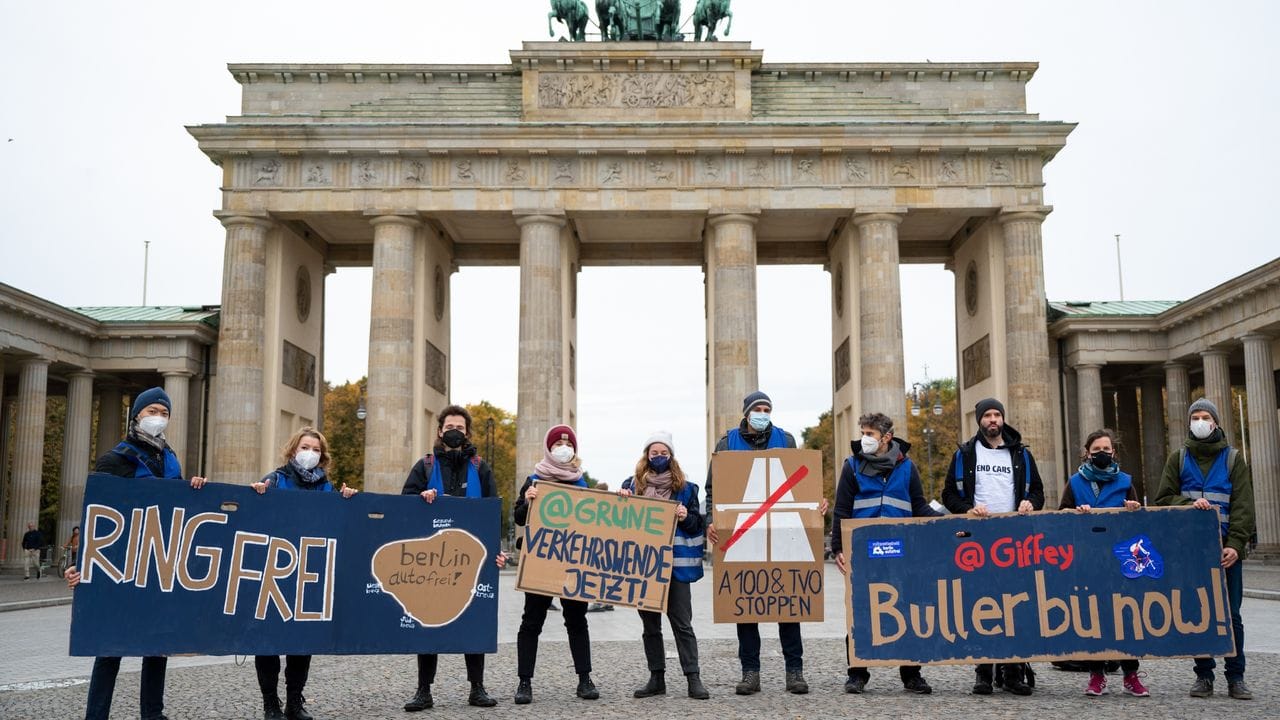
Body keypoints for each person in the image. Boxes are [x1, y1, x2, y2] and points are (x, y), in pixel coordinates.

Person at [64, 386, 207, 720]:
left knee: (157, 646)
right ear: (137, 414)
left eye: (164, 413)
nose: (158, 417)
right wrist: (80, 562)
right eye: (152, 411)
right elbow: (95, 515)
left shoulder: (170, 460)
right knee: (110, 650)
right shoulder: (115, 459)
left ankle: (152, 714)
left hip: (157, 564)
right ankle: (96, 714)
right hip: (120, 564)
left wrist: (195, 491)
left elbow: (179, 513)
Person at [705, 391, 827, 695]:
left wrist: (815, 504)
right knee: (745, 606)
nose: (763, 413)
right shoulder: (726, 443)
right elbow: (713, 489)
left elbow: (802, 485)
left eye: (767, 409)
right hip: (744, 533)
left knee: (789, 604)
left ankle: (794, 671)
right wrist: (711, 519)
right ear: (746, 413)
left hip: (782, 532)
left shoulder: (786, 441)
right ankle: (750, 672)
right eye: (758, 409)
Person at [250, 426, 357, 720]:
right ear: (293, 449)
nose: (310, 453)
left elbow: (339, 524)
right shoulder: (273, 480)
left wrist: (348, 500)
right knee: (268, 643)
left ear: (322, 456)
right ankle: (271, 703)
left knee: (301, 643)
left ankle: (295, 702)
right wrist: (256, 496)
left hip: (308, 574)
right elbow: (253, 519)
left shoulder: (326, 487)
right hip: (275, 572)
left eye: (316, 449)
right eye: (305, 447)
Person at [399, 405, 502, 711]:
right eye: (449, 426)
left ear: (467, 432)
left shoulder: (481, 468)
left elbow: (492, 508)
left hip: (473, 556)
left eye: (460, 426)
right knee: (428, 620)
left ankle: (477, 687)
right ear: (440, 431)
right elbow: (404, 504)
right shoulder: (425, 466)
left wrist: (496, 550)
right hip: (432, 558)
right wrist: (421, 499)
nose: (455, 430)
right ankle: (423, 690)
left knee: (474, 618)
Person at [941, 397, 1044, 696]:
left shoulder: (1021, 454)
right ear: (979, 420)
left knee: (1017, 601)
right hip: (979, 538)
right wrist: (968, 510)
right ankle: (983, 672)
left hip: (1014, 537)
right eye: (987, 415)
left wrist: (1031, 503)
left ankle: (1013, 671)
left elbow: (1037, 492)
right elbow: (948, 494)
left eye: (997, 414)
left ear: (1003, 419)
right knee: (981, 604)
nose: (993, 419)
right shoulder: (964, 454)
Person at [1154, 398, 1256, 701]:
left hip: (1225, 551)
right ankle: (1204, 675)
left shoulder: (1233, 459)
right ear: (1189, 423)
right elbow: (1164, 498)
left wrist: (1236, 545)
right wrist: (1188, 503)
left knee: (1232, 614)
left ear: (1216, 422)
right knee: (1198, 611)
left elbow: (1243, 506)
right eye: (1195, 417)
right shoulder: (1178, 458)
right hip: (1190, 551)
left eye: (1205, 416)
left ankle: (1236, 677)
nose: (1200, 421)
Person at [832, 412, 940, 695]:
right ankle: (857, 672)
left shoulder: (907, 468)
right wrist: (838, 548)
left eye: (870, 433)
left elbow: (919, 507)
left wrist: (953, 523)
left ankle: (911, 673)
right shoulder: (852, 467)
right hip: (864, 551)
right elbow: (841, 509)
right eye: (863, 433)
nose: (864, 439)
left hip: (902, 551)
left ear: (886, 438)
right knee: (860, 611)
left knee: (906, 608)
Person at [618, 431, 710, 701]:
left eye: (663, 453)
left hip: (676, 567)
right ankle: (656, 678)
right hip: (644, 566)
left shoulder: (687, 489)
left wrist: (684, 515)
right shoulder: (630, 485)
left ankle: (693, 677)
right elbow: (618, 523)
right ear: (646, 455)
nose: (658, 457)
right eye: (654, 453)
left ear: (671, 455)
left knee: (682, 623)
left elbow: (696, 526)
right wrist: (620, 501)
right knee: (650, 626)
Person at [511, 425, 598, 704]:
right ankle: (524, 682)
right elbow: (519, 518)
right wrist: (527, 501)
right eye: (558, 442)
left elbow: (599, 523)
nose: (563, 446)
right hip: (541, 561)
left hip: (573, 562)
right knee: (531, 621)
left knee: (577, 620)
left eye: (568, 442)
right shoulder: (533, 480)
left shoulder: (582, 483)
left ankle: (585, 679)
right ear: (549, 448)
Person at [1059, 428, 1149, 697]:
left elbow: (1142, 522)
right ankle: (1096, 675)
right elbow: (1060, 514)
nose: (1101, 454)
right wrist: (1075, 513)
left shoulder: (1125, 481)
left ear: (1114, 453)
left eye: (1106, 450)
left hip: (1120, 560)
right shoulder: (1075, 482)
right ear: (1087, 453)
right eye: (1096, 450)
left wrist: (1134, 510)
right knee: (1093, 616)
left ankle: (1131, 674)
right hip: (1088, 559)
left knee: (1126, 616)